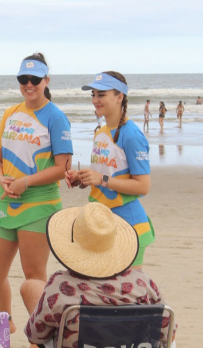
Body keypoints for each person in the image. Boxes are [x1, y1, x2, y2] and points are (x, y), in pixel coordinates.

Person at [22, 203, 168, 348]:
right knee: (101, 331)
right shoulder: (143, 284)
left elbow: (36, 333)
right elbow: (168, 334)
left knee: (32, 288)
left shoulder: (60, 287)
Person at [0, 52, 72, 340]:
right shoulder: (10, 114)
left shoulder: (56, 117)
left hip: (39, 204)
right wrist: (2, 180)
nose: (29, 84)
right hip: (5, 203)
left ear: (46, 80)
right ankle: (7, 324)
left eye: (35, 79)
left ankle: (40, 342)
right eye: (24, 79)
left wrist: (26, 182)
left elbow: (63, 168)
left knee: (34, 276)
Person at [66, 71, 154, 268]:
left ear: (119, 97)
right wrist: (83, 178)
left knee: (129, 293)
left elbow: (143, 186)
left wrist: (101, 179)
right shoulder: (101, 132)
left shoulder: (131, 136)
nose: (95, 100)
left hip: (129, 225)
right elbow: (106, 175)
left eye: (101, 94)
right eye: (93, 95)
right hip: (101, 226)